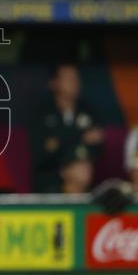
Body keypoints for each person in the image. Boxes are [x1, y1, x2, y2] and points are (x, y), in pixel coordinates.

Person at [31, 64, 104, 193]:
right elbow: (42, 153)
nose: (74, 83)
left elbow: (97, 146)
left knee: (82, 171)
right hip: (49, 181)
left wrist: (62, 142)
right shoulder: (41, 113)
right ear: (54, 83)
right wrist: (80, 136)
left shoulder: (88, 111)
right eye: (69, 79)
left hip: (84, 175)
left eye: (76, 79)